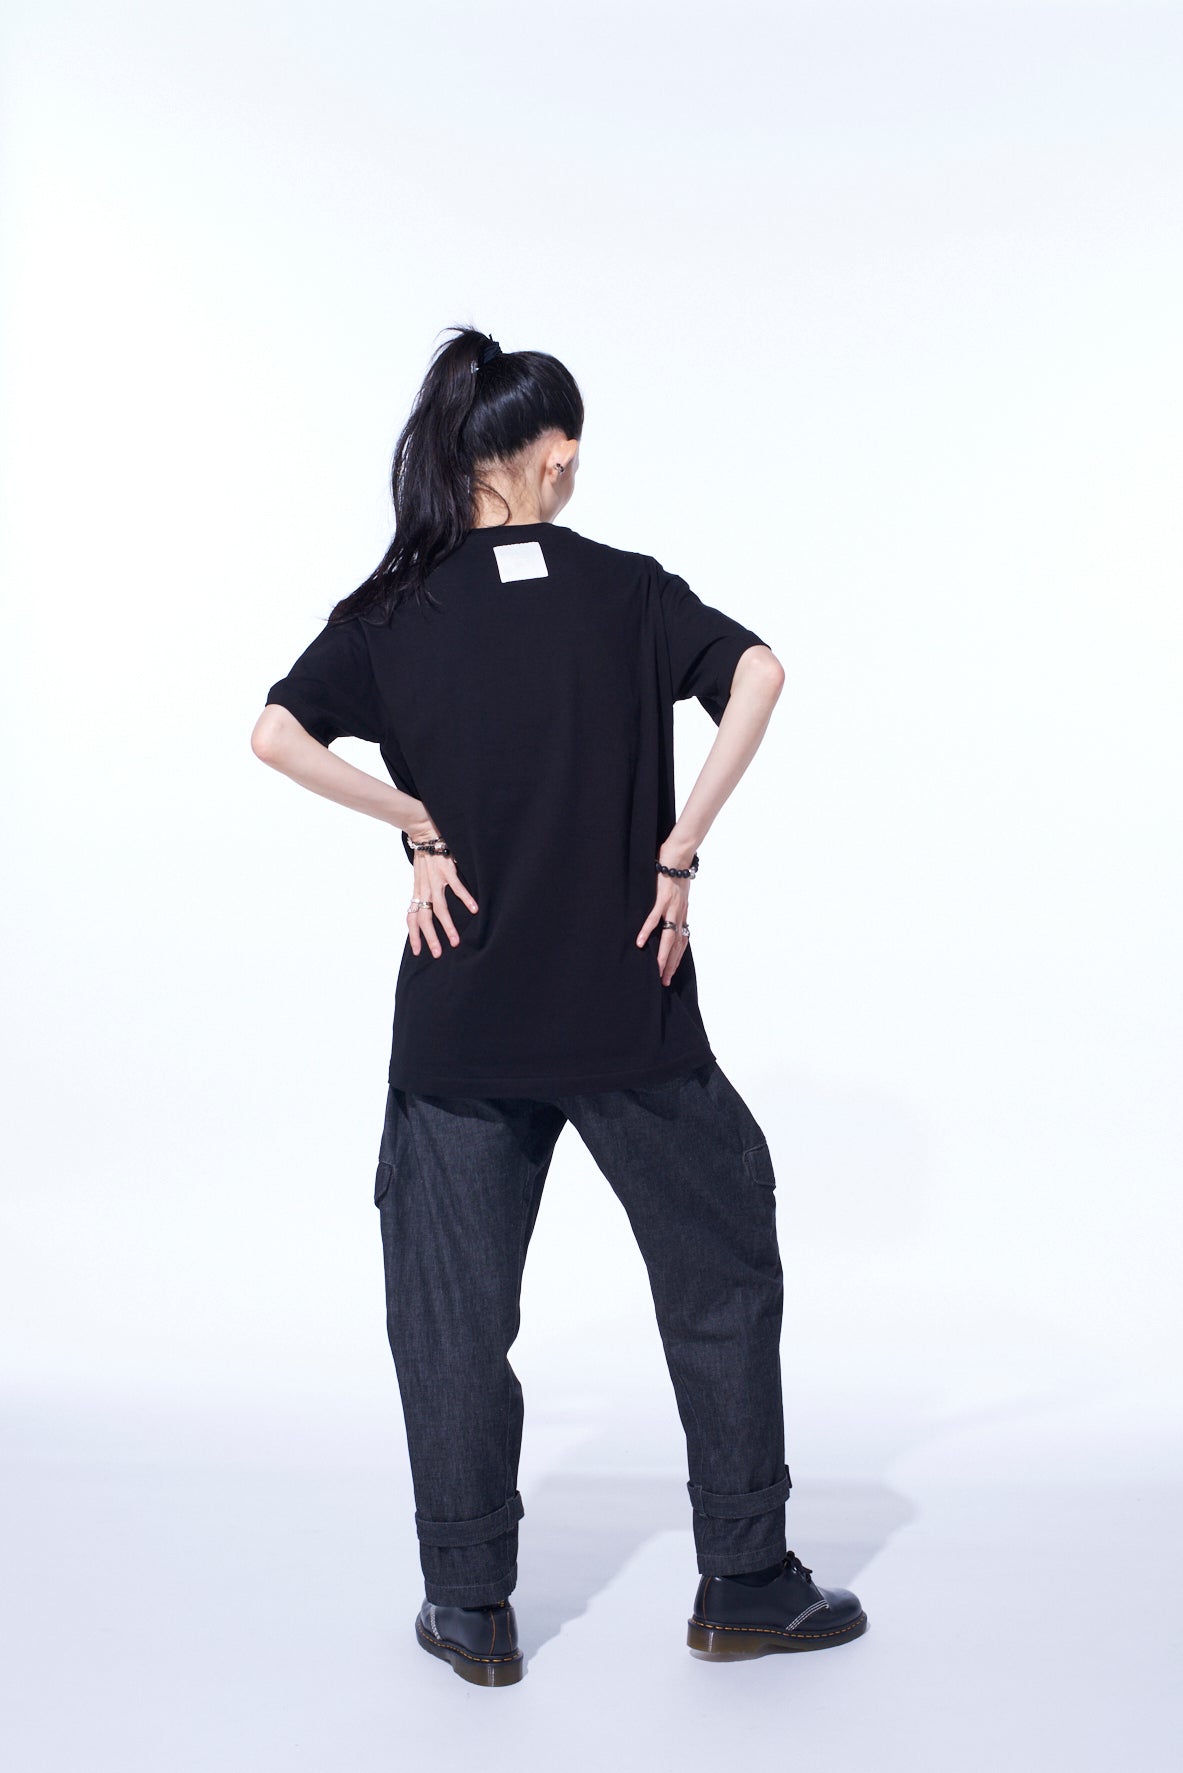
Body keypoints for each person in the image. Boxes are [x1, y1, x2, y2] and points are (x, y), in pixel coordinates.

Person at [251, 325, 868, 1688]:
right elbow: (761, 671)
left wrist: (415, 819)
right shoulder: (626, 591)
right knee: (720, 1274)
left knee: (452, 1318)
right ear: (556, 456)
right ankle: (745, 1579)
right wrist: (679, 852)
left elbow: (274, 733)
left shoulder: (393, 608)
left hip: (461, 1017)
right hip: (626, 1005)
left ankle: (471, 1605)